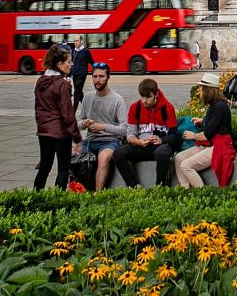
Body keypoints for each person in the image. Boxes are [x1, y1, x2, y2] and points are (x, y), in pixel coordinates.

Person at [113, 78, 181, 187]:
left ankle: (160, 187)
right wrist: (137, 142)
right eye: (142, 97)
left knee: (162, 152)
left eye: (148, 97)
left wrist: (161, 140)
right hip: (141, 146)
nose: (144, 101)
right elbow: (130, 133)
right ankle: (133, 186)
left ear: (156, 95)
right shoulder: (135, 107)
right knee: (118, 153)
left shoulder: (167, 108)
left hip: (159, 147)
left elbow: (175, 137)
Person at [33, 43, 81, 191]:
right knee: (63, 169)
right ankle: (57, 200)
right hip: (60, 133)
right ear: (59, 64)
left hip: (44, 132)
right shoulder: (62, 84)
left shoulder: (41, 81)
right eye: (68, 62)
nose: (71, 64)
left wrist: (41, 126)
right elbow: (67, 114)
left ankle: (35, 197)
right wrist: (77, 137)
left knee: (45, 167)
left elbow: (37, 109)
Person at [175, 72, 236, 188]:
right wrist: (202, 121)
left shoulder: (219, 107)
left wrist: (193, 135)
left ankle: (202, 193)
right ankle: (185, 189)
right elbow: (215, 123)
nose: (200, 91)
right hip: (211, 144)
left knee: (185, 165)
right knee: (178, 158)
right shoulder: (215, 105)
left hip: (219, 146)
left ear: (208, 90)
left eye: (201, 88)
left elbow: (206, 135)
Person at [74, 62, 127, 191]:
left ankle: (97, 194)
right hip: (90, 140)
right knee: (72, 153)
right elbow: (78, 124)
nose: (97, 80)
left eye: (101, 76)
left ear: (108, 78)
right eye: (95, 76)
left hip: (111, 141)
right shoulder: (87, 97)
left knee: (103, 158)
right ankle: (76, 190)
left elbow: (125, 129)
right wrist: (84, 123)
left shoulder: (117, 99)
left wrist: (102, 127)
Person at [71, 34, 94, 110]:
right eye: (74, 41)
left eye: (77, 41)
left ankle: (72, 112)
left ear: (81, 41)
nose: (75, 42)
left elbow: (92, 62)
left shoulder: (86, 51)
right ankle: (87, 109)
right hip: (74, 74)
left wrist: (97, 68)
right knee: (79, 92)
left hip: (82, 74)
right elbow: (70, 63)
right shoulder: (73, 51)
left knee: (77, 92)